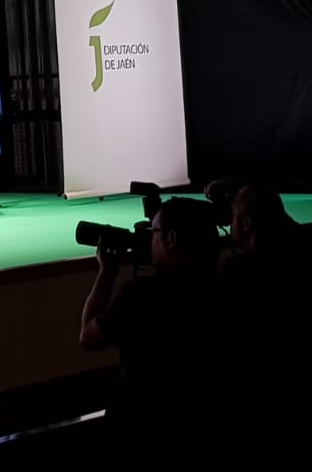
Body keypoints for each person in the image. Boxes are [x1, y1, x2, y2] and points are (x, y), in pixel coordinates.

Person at [219, 184, 312, 472]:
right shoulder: (310, 249)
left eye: (233, 218)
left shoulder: (240, 273)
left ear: (246, 223)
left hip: (271, 413)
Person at [80, 197, 226, 471]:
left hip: (140, 438)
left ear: (171, 239)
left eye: (154, 231)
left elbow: (88, 337)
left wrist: (106, 273)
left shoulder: (141, 297)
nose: (150, 239)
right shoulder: (227, 291)